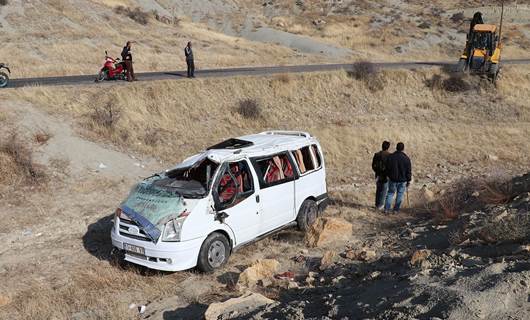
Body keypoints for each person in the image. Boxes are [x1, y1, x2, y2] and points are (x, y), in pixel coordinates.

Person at [384, 142, 412, 213]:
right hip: (402, 180)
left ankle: (386, 209)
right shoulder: (406, 158)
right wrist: (409, 180)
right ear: (403, 149)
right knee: (400, 194)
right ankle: (396, 210)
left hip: (392, 179)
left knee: (390, 193)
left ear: (396, 148)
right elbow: (408, 171)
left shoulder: (391, 157)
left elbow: (387, 168)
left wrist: (388, 176)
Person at [371, 141, 391, 210]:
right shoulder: (389, 155)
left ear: (382, 146)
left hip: (378, 175)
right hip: (386, 176)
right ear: (388, 147)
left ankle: (377, 204)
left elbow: (373, 165)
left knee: (378, 190)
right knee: (384, 190)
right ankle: (381, 205)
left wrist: (377, 172)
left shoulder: (377, 154)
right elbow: (390, 167)